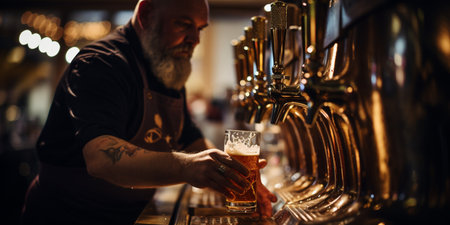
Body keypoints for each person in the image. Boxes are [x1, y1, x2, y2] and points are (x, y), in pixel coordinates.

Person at [20, 0, 277, 224]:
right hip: (71, 215)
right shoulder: (101, 63)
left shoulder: (166, 64)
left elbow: (189, 137)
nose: (195, 39)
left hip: (128, 213)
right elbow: (101, 158)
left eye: (199, 29)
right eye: (183, 24)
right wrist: (188, 166)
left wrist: (225, 173)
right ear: (145, 15)